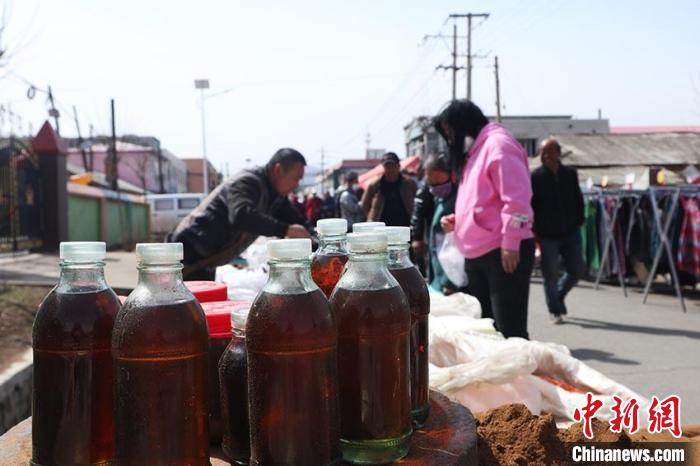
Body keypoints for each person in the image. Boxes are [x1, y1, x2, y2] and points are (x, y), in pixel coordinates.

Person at [435, 100, 535, 339]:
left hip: (501, 251)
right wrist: (460, 220)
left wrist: (511, 243)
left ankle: (520, 375)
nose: (449, 139)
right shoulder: (476, 152)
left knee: (509, 331)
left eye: (450, 131)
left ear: (463, 126)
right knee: (486, 330)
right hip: (478, 252)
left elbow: (518, 199)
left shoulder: (498, 145)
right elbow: (484, 200)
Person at [168, 148, 310, 280]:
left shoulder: (276, 196)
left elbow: (297, 222)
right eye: (296, 178)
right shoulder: (248, 182)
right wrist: (286, 230)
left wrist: (316, 239)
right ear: (278, 170)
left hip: (207, 259)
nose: (297, 184)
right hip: (187, 253)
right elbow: (241, 216)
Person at [531, 137, 585, 324]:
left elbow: (578, 199)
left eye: (549, 151)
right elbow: (532, 206)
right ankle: (555, 310)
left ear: (558, 153)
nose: (545, 156)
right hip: (547, 235)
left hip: (570, 231)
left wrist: (579, 220)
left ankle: (559, 296)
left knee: (577, 270)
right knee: (550, 274)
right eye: (542, 152)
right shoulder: (535, 177)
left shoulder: (570, 174)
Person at [414, 152, 459, 295]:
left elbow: (455, 248)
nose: (433, 188)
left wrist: (449, 282)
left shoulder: (457, 201)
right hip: (438, 276)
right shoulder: (440, 198)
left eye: (437, 183)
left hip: (450, 279)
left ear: (452, 175)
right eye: (430, 183)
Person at [361, 152, 417, 226]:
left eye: (393, 166)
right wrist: (372, 217)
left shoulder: (409, 184)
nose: (390, 169)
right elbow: (365, 204)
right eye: (387, 166)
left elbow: (417, 202)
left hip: (404, 227)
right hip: (380, 228)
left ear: (398, 166)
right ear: (383, 168)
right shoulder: (374, 185)